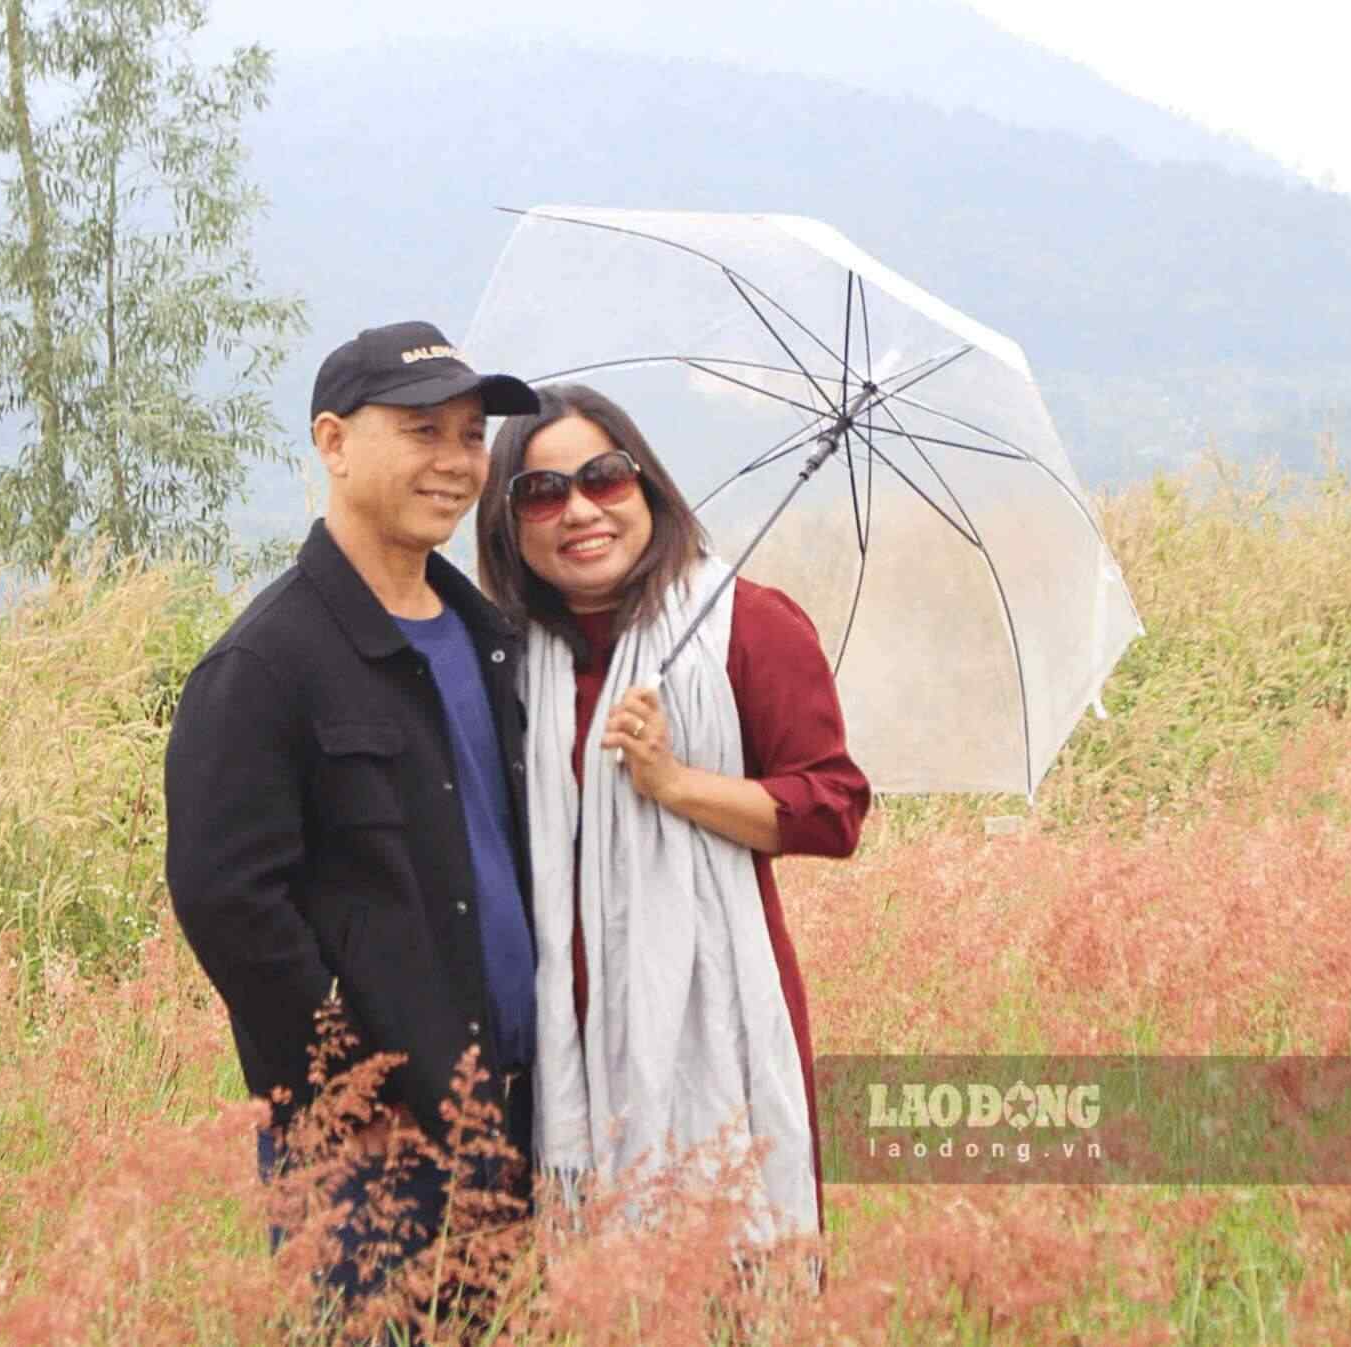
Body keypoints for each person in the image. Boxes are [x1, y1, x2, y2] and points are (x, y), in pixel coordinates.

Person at [164, 321, 541, 1306]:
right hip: (373, 1153)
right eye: (422, 431)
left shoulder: (488, 639)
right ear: (332, 443)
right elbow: (229, 904)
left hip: (514, 1115)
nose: (456, 462)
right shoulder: (263, 666)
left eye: (470, 436)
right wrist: (350, 1091)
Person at [475, 382, 870, 1243]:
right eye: (541, 492)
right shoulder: (497, 652)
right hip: (549, 1050)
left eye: (604, 479)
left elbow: (833, 808)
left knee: (726, 1277)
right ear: (509, 524)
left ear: (647, 486)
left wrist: (675, 782)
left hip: (713, 1023)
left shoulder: (747, 626)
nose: (579, 509)